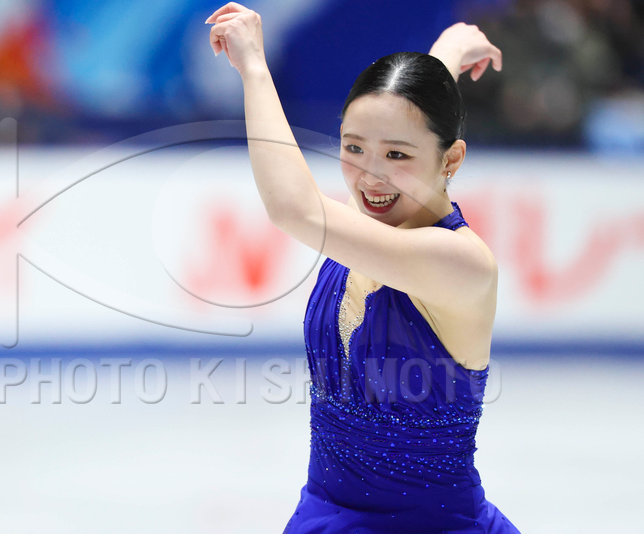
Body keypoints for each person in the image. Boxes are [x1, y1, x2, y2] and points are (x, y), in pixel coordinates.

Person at [205, 3, 520, 533]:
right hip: (323, 514)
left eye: (397, 156)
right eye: (354, 148)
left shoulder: (461, 264)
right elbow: (406, 117)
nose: (371, 177)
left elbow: (295, 208)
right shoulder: (374, 217)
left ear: (451, 160)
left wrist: (254, 67)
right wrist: (443, 55)